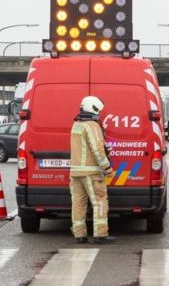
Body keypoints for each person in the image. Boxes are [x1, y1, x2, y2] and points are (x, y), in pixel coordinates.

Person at [69, 96, 115, 244]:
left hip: (75, 172)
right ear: (93, 109)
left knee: (78, 203)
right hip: (91, 172)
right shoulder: (92, 126)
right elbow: (97, 149)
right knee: (100, 201)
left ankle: (79, 234)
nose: (99, 115)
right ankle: (100, 234)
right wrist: (107, 167)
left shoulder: (76, 125)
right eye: (99, 111)